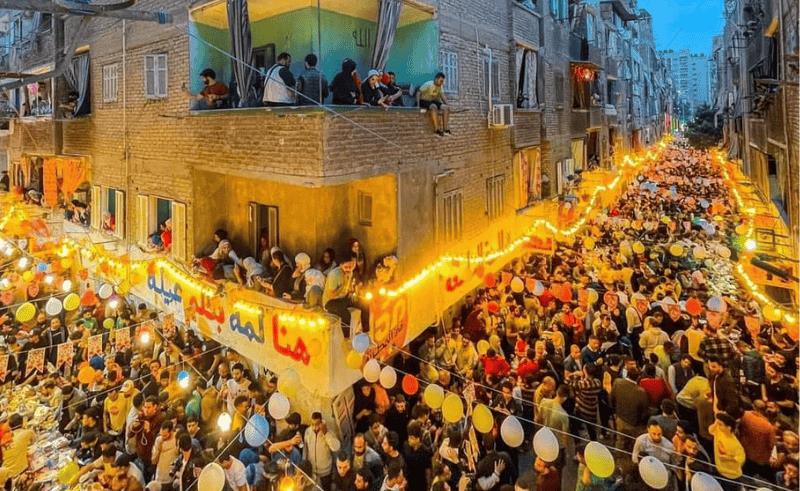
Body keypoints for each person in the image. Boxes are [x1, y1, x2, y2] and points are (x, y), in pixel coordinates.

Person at [303, 412, 341, 488]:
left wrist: (326, 433)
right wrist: (304, 464)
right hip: (312, 472)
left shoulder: (328, 432)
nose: (315, 427)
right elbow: (305, 450)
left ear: (321, 423)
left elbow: (336, 447)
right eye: (313, 424)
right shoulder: (308, 432)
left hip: (325, 472)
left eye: (317, 424)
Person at [708, 411, 746, 488]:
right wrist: (717, 422)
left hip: (731, 475)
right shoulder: (719, 430)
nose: (718, 426)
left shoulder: (735, 444)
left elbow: (741, 459)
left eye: (720, 424)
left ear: (729, 427)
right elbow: (710, 430)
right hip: (719, 468)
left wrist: (728, 458)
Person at [0, 414, 35, 486]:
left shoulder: (4, 439)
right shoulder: (27, 433)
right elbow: (34, 440)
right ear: (22, 423)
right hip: (19, 472)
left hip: (6, 474)